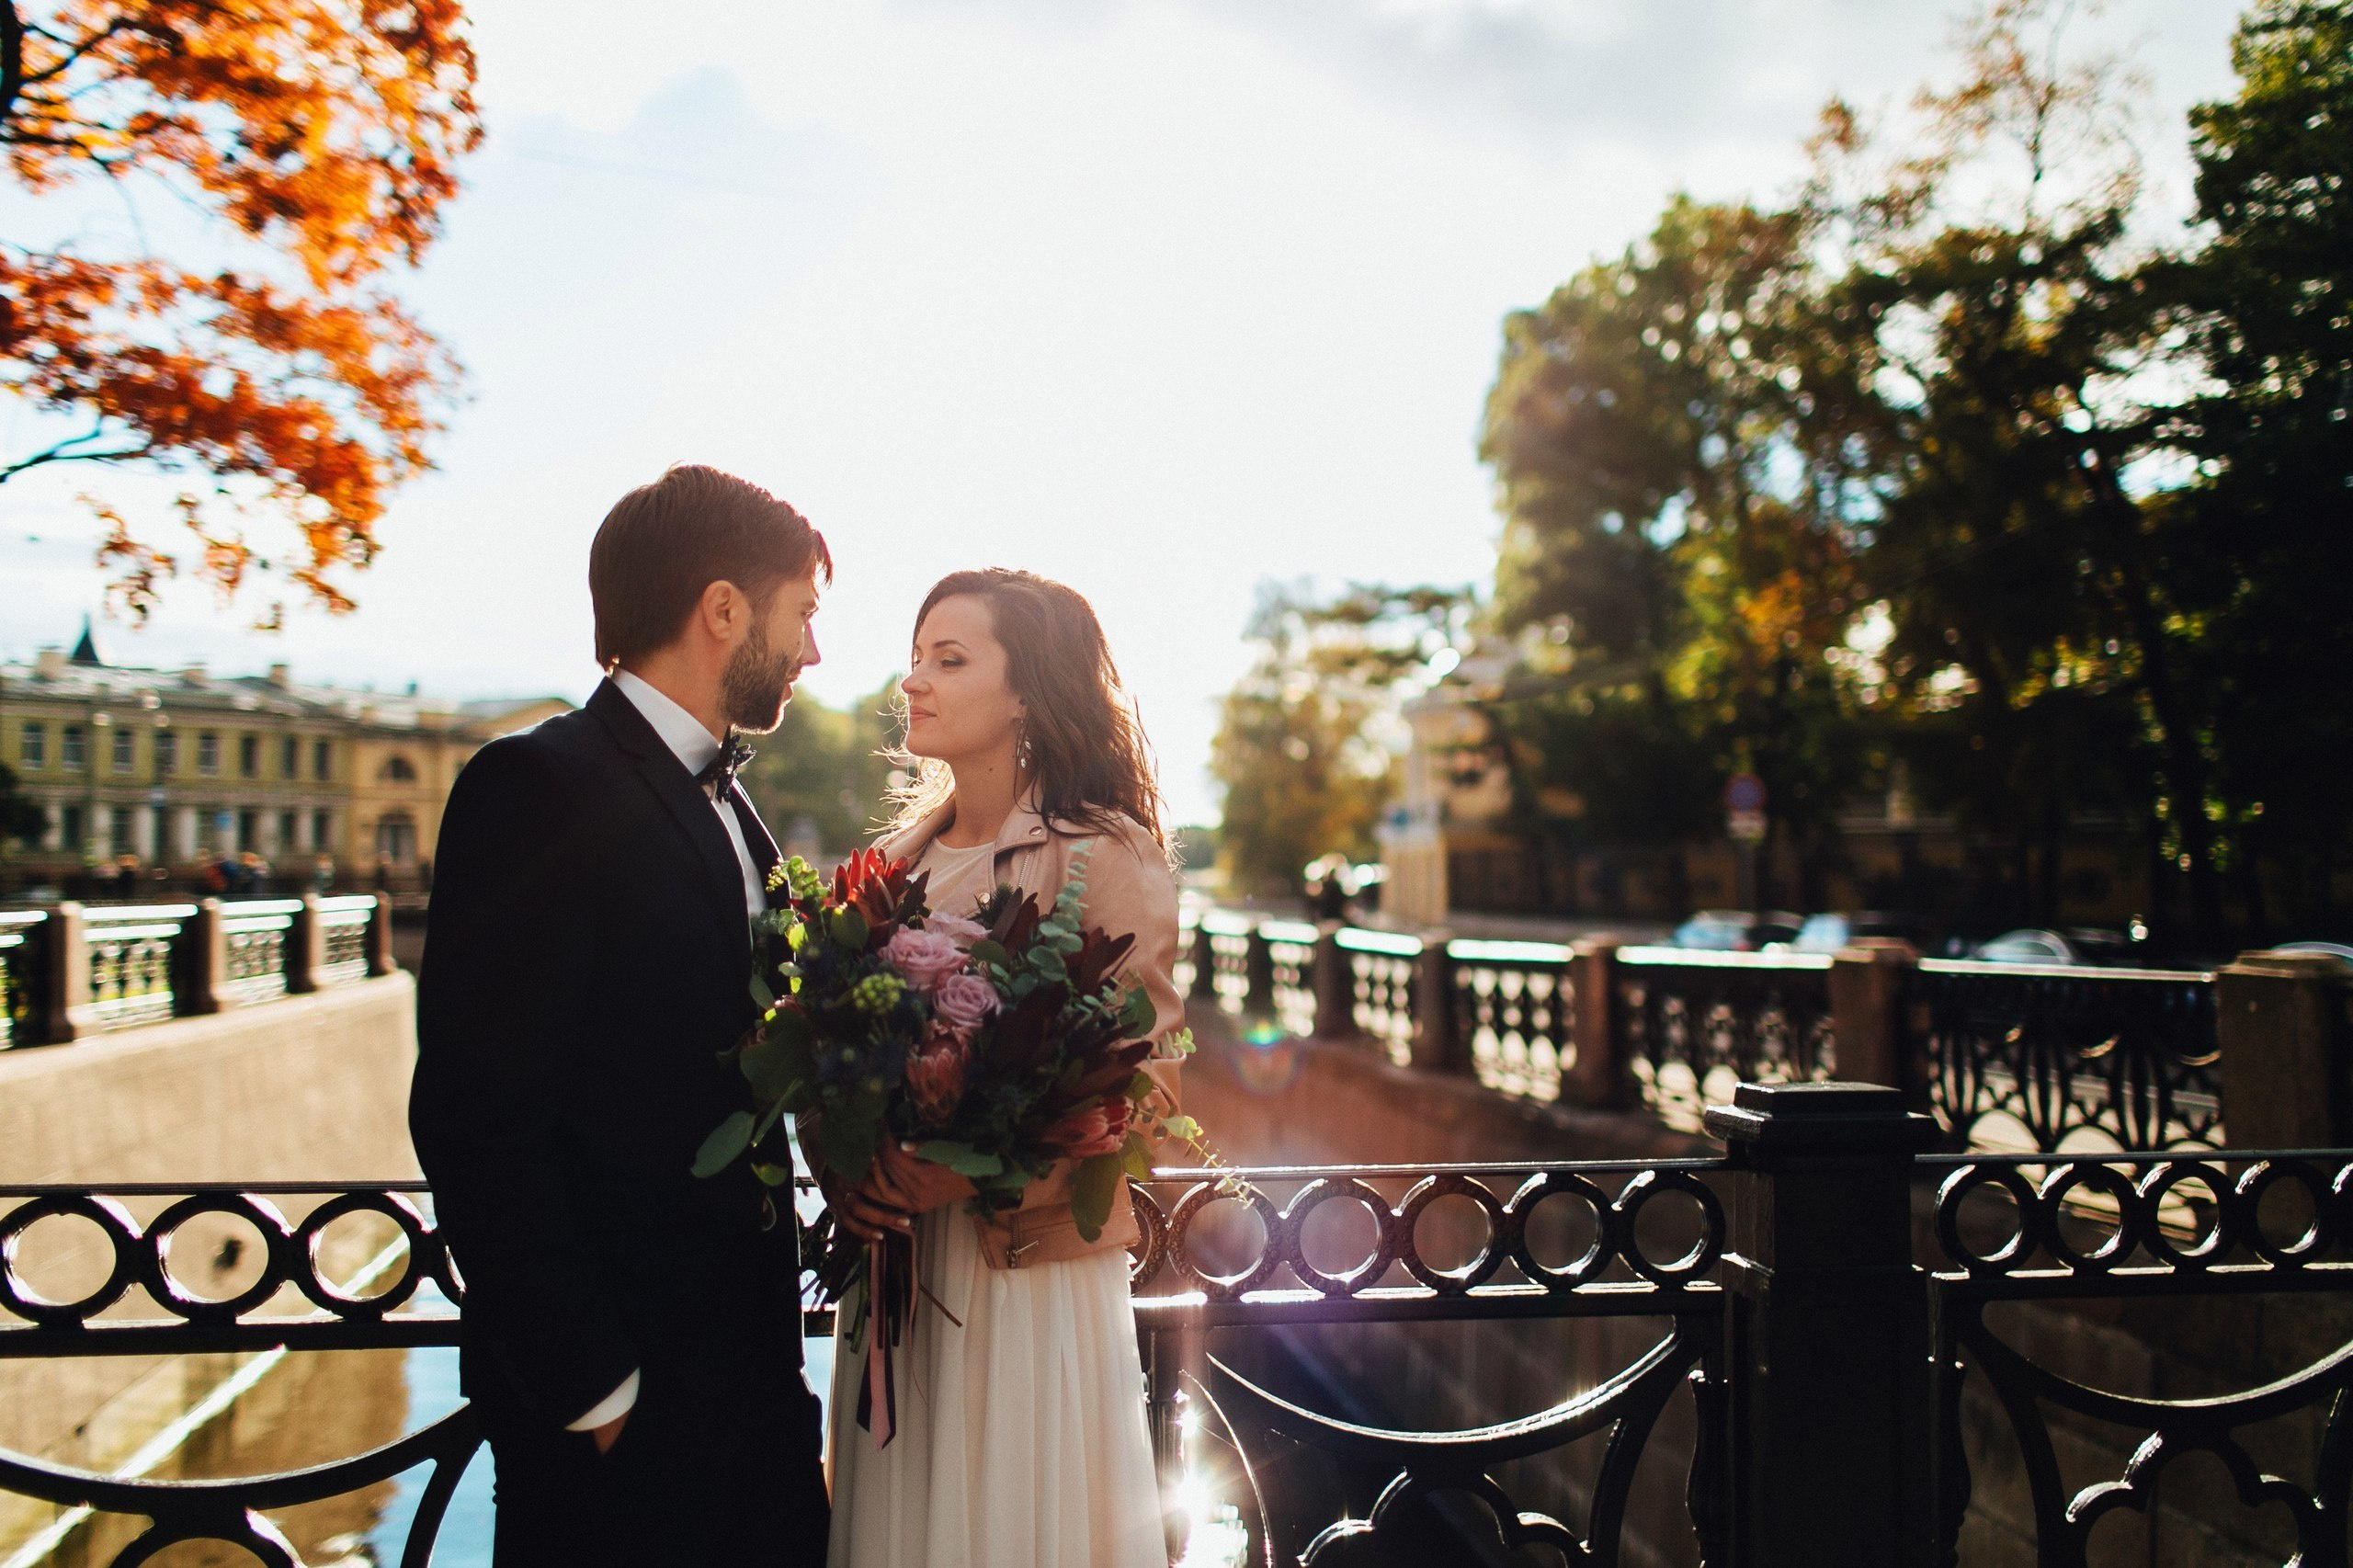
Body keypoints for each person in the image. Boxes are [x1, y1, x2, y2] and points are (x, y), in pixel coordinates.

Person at [410, 464, 832, 1567]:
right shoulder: (533, 784)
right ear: (723, 606)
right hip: (624, 1421)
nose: (813, 652)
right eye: (804, 614)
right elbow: (475, 1118)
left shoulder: (736, 805)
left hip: (751, 1394)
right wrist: (599, 1393)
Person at [826, 568, 1183, 1568]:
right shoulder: (888, 866)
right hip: (892, 1273)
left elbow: (1146, 1098)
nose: (914, 681)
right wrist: (847, 1164)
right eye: (914, 656)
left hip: (1018, 1279)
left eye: (949, 658)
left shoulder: (1100, 854)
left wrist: (971, 1167)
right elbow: (826, 1055)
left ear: (1025, 690)